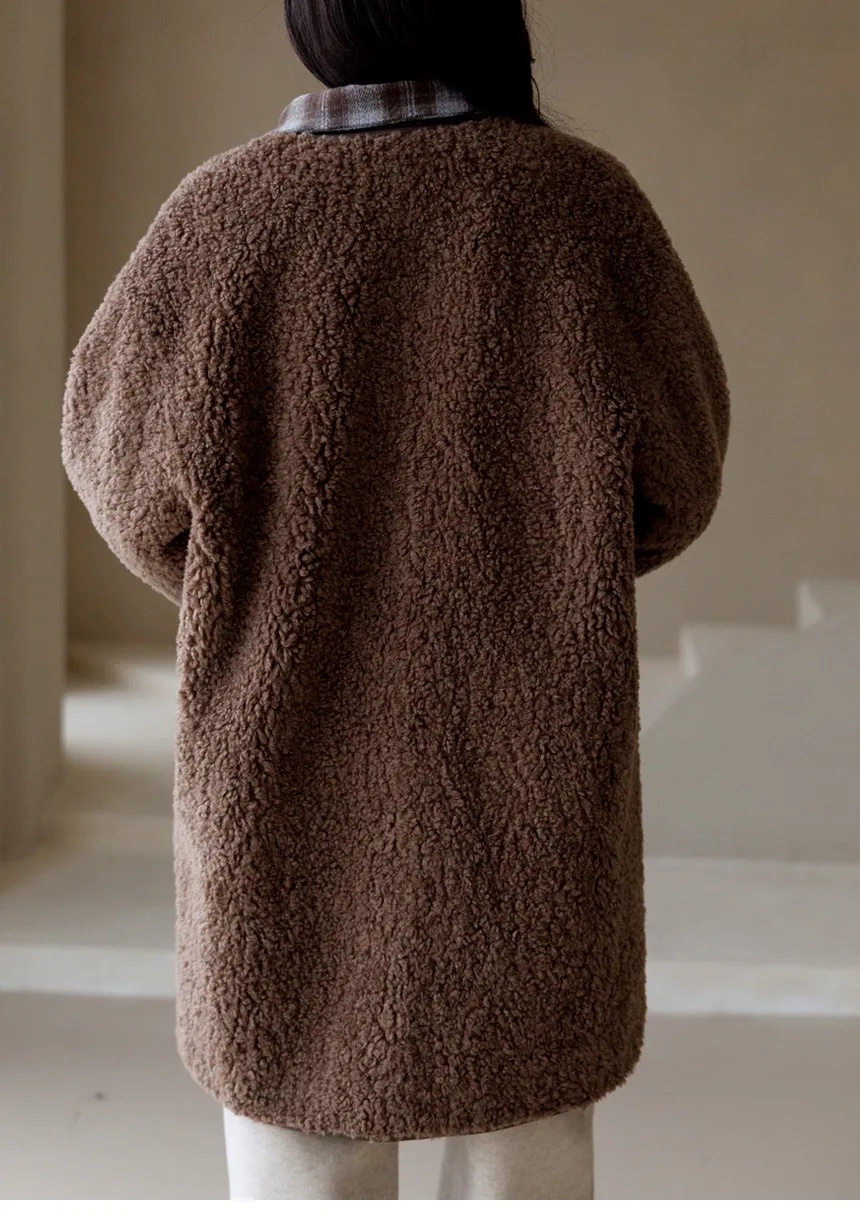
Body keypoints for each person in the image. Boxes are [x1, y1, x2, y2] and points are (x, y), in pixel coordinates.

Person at [60, 0, 730, 1201]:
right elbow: (677, 472)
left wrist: (253, 580)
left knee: (301, 1153)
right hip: (528, 770)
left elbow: (121, 480)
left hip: (277, 769)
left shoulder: (222, 213)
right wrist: (542, 565)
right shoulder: (578, 206)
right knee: (523, 1159)